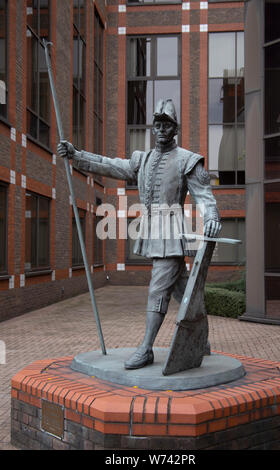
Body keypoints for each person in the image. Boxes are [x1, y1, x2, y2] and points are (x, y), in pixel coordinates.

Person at [57, 99, 221, 369]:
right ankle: (200, 341)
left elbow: (204, 195)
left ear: (174, 128)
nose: (160, 129)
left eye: (166, 124)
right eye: (157, 124)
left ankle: (146, 349)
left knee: (158, 288)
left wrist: (212, 217)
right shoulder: (142, 159)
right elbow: (109, 165)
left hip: (172, 231)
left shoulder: (188, 160)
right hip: (153, 230)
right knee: (184, 291)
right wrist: (77, 156)